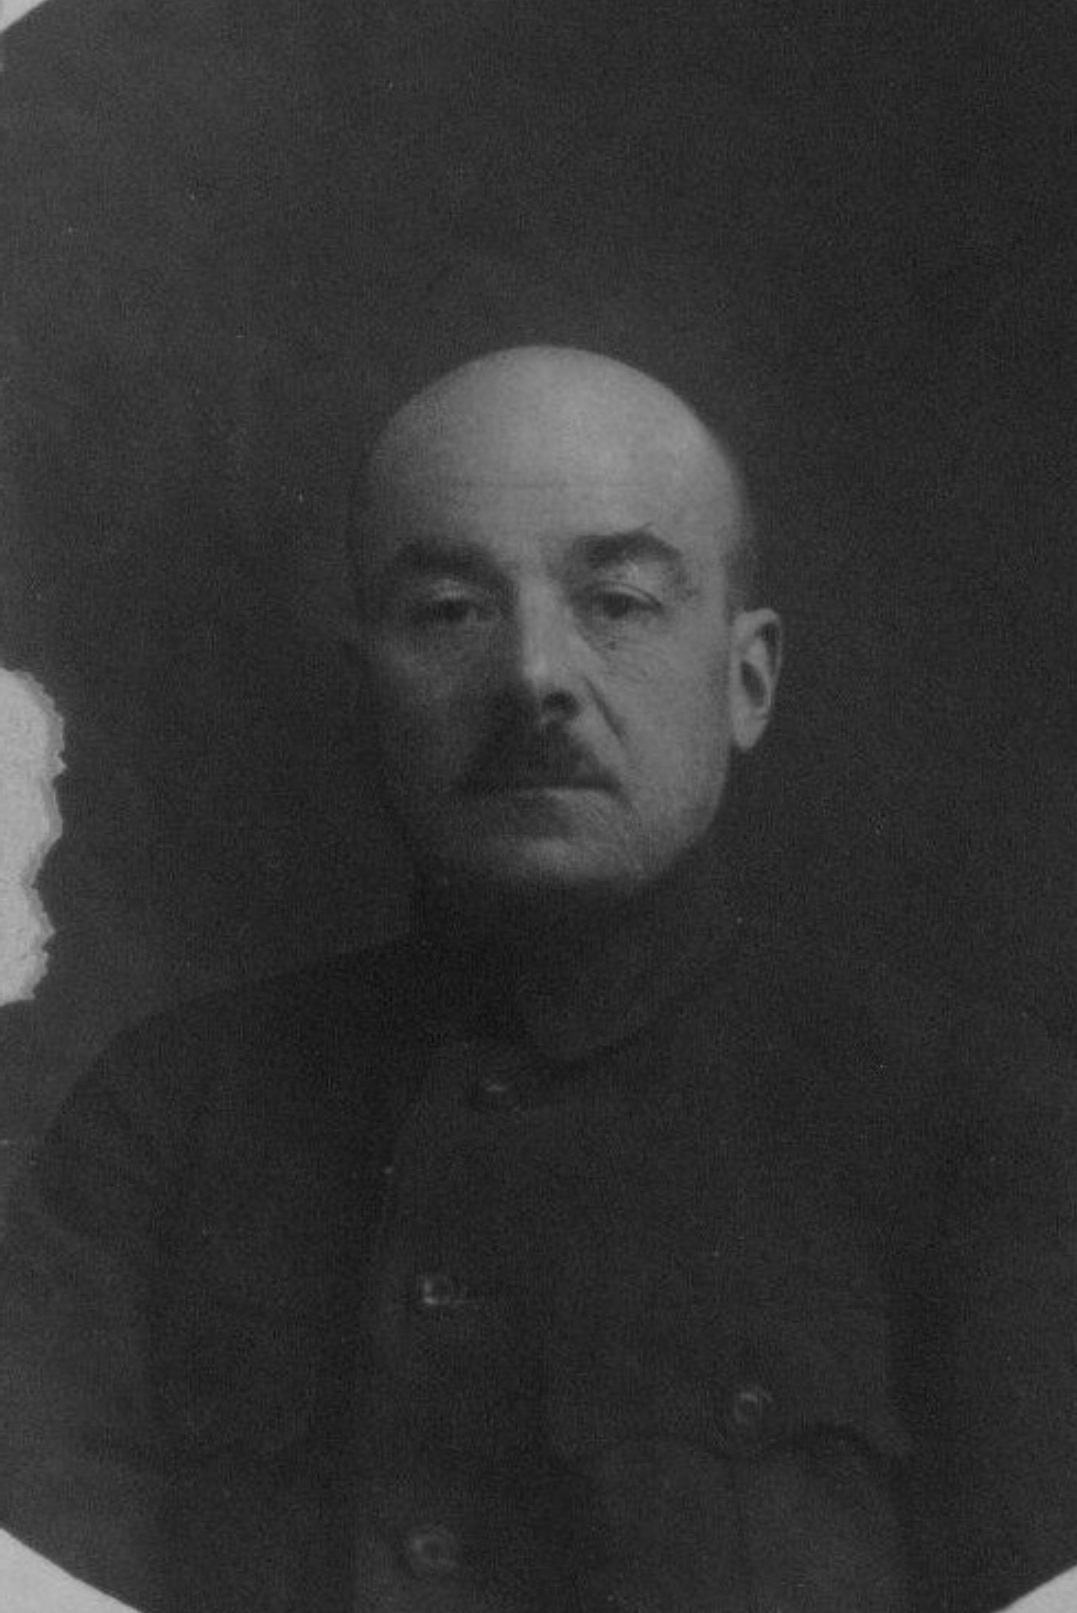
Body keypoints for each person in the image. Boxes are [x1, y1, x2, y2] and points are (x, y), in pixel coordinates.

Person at [3, 344, 1077, 1613]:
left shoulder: (980, 1121)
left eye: (616, 600)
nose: (534, 676)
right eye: (452, 610)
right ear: (367, 688)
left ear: (747, 679)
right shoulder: (162, 1120)